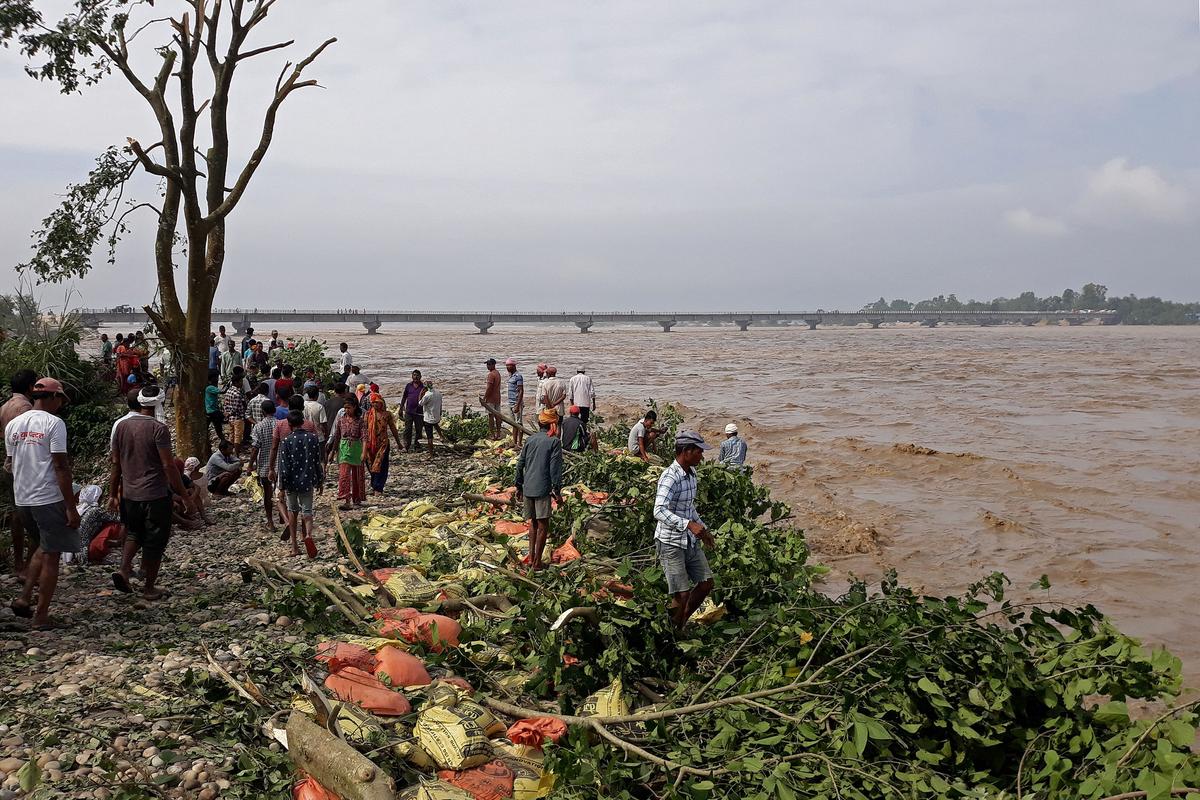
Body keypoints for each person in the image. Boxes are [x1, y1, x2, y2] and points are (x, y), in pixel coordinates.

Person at [5, 378, 77, 628]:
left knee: (43, 546)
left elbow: (11, 463)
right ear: (54, 397)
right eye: (60, 400)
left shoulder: (13, 425)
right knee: (52, 555)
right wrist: (70, 506)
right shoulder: (54, 424)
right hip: (47, 497)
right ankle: (42, 615)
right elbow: (60, 466)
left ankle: (25, 598)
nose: (61, 405)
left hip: (22, 497)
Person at [110, 386, 193, 601]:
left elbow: (116, 464)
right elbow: (168, 465)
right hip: (154, 494)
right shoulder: (158, 428)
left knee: (133, 533)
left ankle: (124, 570)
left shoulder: (122, 426)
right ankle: (149, 588)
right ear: (160, 403)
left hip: (129, 493)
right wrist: (184, 495)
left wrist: (113, 493)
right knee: (156, 540)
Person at [654, 430, 715, 629]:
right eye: (698, 452)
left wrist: (703, 530)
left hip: (689, 540)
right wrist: (688, 524)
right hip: (670, 542)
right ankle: (673, 631)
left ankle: (681, 622)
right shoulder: (670, 477)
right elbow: (659, 510)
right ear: (686, 451)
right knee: (682, 593)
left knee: (706, 583)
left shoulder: (691, 474)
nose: (701, 456)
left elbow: (689, 508)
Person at [514, 409, 563, 572]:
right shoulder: (554, 442)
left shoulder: (530, 439)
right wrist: (557, 491)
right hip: (542, 488)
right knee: (543, 525)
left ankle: (531, 558)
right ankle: (536, 563)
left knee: (533, 523)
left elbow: (520, 464)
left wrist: (518, 485)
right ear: (552, 424)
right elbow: (554, 469)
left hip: (528, 487)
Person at [2, 369, 36, 575]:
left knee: (17, 514)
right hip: (23, 466)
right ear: (30, 387)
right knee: (32, 516)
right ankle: (26, 565)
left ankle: (18, 563)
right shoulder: (25, 407)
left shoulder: (5, 406)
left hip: (9, 464)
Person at [277, 409, 324, 557]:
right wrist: (320, 480)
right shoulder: (312, 438)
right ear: (303, 422)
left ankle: (295, 547)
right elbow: (317, 461)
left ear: (290, 424)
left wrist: (282, 487)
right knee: (307, 511)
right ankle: (308, 535)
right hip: (307, 479)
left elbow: (284, 465)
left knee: (292, 511)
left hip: (291, 482)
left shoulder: (286, 441)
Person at [249, 400, 283, 533]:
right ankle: (282, 517)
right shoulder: (280, 424)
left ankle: (270, 522)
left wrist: (250, 464)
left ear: (262, 412)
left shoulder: (259, 426)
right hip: (280, 463)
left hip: (264, 464)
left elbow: (255, 447)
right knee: (281, 491)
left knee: (267, 494)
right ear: (274, 410)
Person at [327, 394, 366, 510]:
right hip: (343, 448)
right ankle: (346, 499)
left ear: (355, 407)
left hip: (356, 448)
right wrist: (332, 452)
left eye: (349, 408)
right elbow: (337, 437)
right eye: (345, 408)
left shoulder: (360, 421)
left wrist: (364, 452)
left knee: (356, 475)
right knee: (344, 475)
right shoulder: (341, 420)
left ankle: (356, 498)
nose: (347, 410)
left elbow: (364, 437)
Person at [363, 393, 402, 494]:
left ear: (381, 403)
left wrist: (398, 443)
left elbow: (393, 429)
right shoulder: (368, 415)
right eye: (373, 403)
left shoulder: (387, 415)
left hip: (383, 444)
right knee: (371, 465)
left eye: (377, 403)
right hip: (369, 444)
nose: (375, 405)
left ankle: (378, 487)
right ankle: (374, 484)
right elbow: (364, 429)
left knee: (381, 465)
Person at [222, 367, 248, 451]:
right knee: (238, 437)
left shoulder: (228, 391)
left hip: (231, 418)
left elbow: (225, 404)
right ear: (236, 382)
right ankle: (236, 453)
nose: (241, 383)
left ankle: (230, 451)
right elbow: (236, 407)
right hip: (238, 418)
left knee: (232, 435)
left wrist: (227, 413)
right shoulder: (237, 393)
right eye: (240, 382)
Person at [400, 370, 425, 452]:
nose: (416, 377)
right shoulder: (408, 386)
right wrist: (401, 408)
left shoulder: (424, 387)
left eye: (417, 375)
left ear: (420, 377)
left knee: (419, 429)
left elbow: (428, 399)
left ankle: (417, 446)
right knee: (407, 429)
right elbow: (404, 397)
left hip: (419, 412)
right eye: (414, 375)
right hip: (409, 411)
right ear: (412, 376)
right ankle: (406, 446)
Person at [418, 379, 443, 457]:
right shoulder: (438, 393)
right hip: (436, 415)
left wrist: (421, 394)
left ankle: (431, 453)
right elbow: (440, 404)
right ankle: (442, 437)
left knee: (430, 437)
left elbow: (420, 403)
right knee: (436, 425)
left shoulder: (427, 395)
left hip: (428, 418)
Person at [505, 359, 525, 447]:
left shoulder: (518, 376)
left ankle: (519, 443)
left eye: (509, 366)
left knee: (519, 423)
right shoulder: (511, 376)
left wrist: (517, 404)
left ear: (513, 366)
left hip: (516, 403)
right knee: (513, 423)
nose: (507, 368)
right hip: (510, 402)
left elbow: (521, 391)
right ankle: (514, 442)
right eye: (506, 366)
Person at [483, 358, 502, 438]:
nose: (487, 366)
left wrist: (484, 398)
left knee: (491, 417)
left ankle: (492, 435)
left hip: (491, 399)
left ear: (493, 365)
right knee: (497, 416)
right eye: (487, 364)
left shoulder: (491, 375)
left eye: (489, 364)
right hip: (497, 398)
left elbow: (489, 388)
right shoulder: (497, 373)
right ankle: (498, 433)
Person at [204, 373, 224, 445]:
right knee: (219, 430)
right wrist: (229, 384)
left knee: (207, 429)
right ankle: (223, 442)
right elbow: (222, 391)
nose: (216, 380)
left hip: (209, 411)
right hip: (213, 411)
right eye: (215, 378)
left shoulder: (209, 387)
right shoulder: (210, 387)